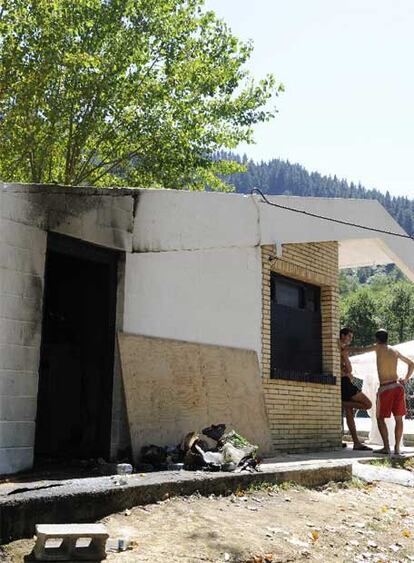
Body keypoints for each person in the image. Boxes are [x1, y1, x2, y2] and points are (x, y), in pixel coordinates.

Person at [374, 329, 414, 456]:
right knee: (399, 419)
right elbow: (412, 364)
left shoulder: (378, 348)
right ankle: (397, 448)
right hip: (398, 386)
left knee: (380, 418)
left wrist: (345, 349)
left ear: (377, 339)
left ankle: (386, 447)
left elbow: (358, 350)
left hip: (385, 388)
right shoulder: (395, 350)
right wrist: (406, 378)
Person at [339, 327, 373, 450]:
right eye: (349, 336)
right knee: (368, 404)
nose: (350, 339)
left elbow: (347, 369)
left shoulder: (342, 349)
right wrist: (345, 372)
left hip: (344, 383)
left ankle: (356, 443)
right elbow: (349, 369)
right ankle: (342, 403)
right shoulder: (341, 348)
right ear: (342, 335)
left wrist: (346, 372)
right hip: (345, 384)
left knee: (349, 413)